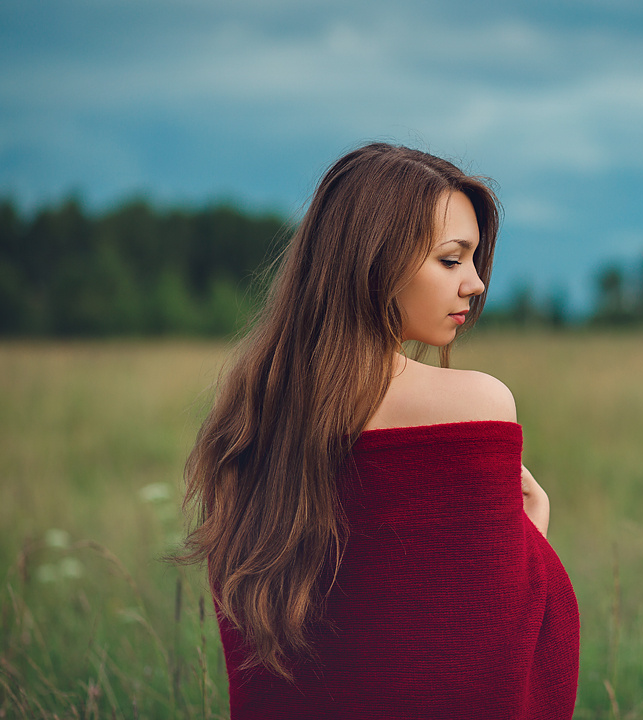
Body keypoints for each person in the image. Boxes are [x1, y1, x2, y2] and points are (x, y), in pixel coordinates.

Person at [176, 143, 579, 718]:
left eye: (474, 260)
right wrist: (530, 540)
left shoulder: (252, 411)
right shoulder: (477, 402)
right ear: (375, 261)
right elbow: (486, 661)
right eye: (451, 260)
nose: (476, 284)